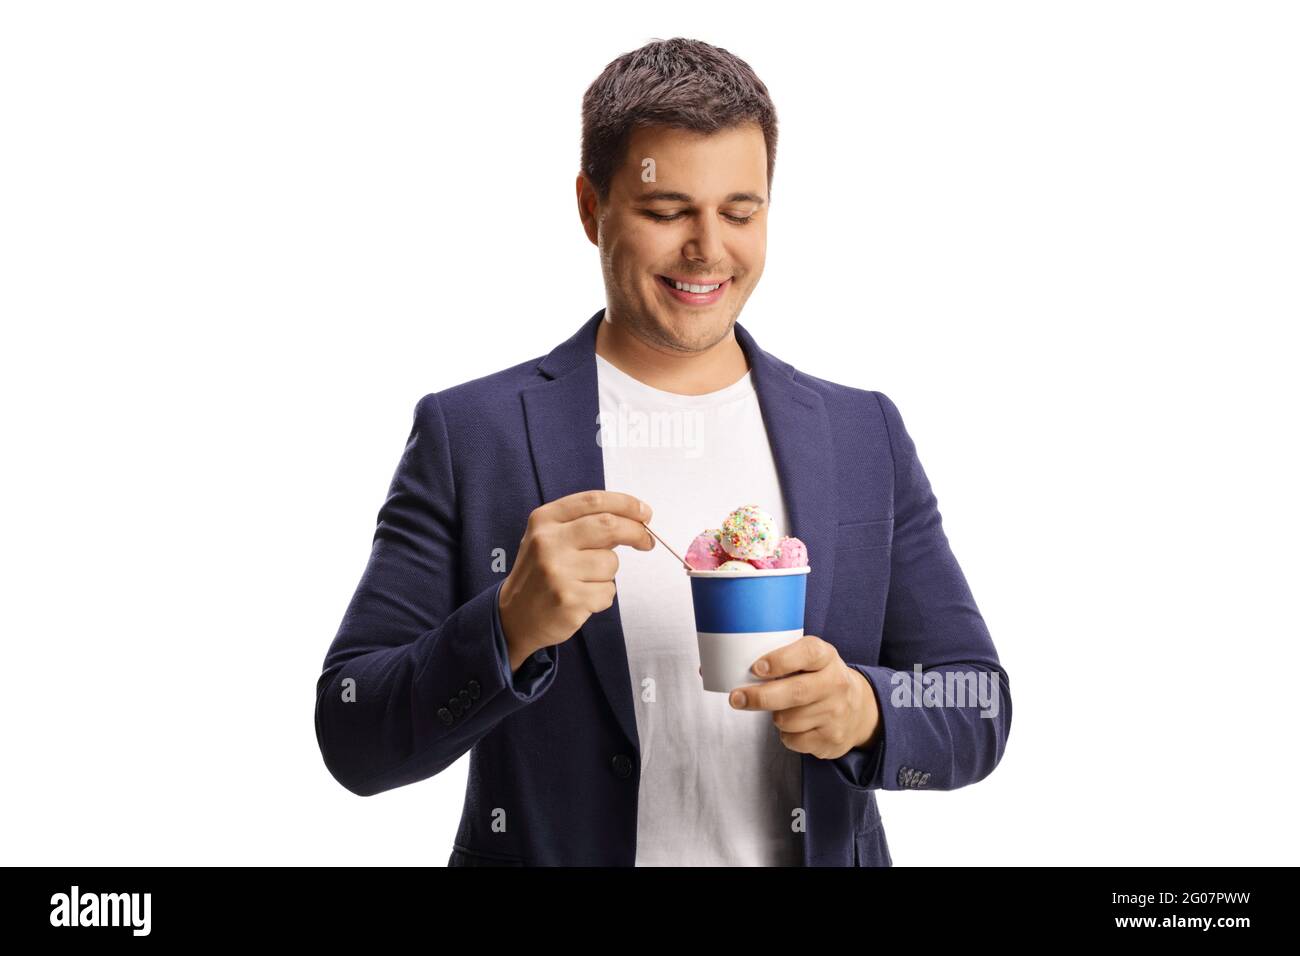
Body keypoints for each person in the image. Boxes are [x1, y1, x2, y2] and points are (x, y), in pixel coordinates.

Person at [314, 37, 1011, 866]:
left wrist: (867, 710)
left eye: (740, 211)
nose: (708, 248)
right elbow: (353, 732)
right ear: (589, 208)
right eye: (666, 210)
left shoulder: (863, 434)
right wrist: (506, 626)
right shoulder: (473, 436)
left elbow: (977, 704)